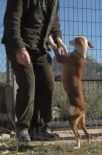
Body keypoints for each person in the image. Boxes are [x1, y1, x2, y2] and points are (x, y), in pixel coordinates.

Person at [2, 0, 67, 143]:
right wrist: (19, 47)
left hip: (40, 48)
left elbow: (54, 22)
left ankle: (40, 128)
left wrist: (58, 40)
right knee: (28, 83)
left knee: (47, 82)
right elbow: (11, 20)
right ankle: (23, 128)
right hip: (19, 44)